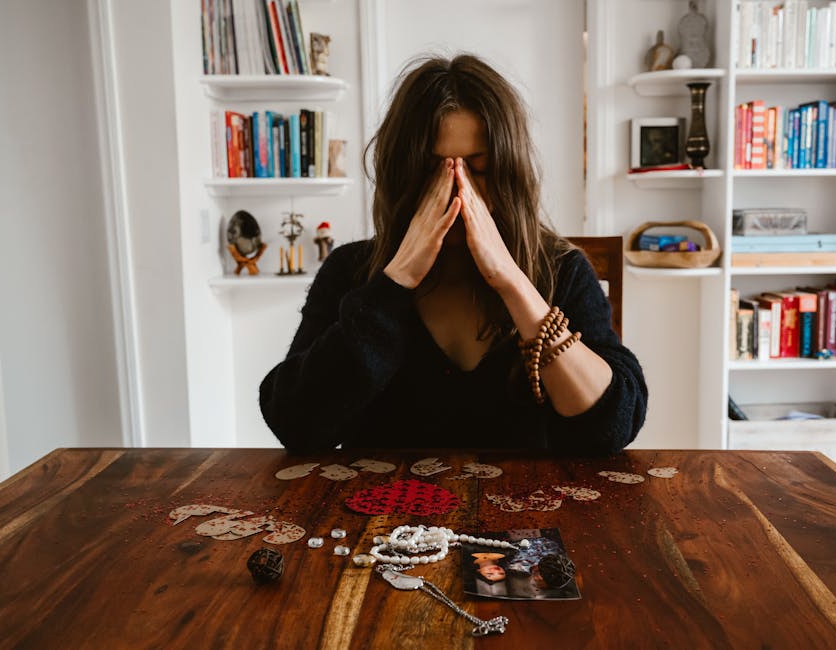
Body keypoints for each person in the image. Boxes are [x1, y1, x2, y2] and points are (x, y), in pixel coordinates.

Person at [259, 54, 647, 454]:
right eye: (434, 171)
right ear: (402, 174)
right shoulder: (350, 271)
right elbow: (295, 423)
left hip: (527, 511)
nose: (461, 193)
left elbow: (612, 428)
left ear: (508, 174)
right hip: (382, 513)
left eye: (478, 170)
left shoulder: (561, 270)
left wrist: (513, 282)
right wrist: (394, 283)